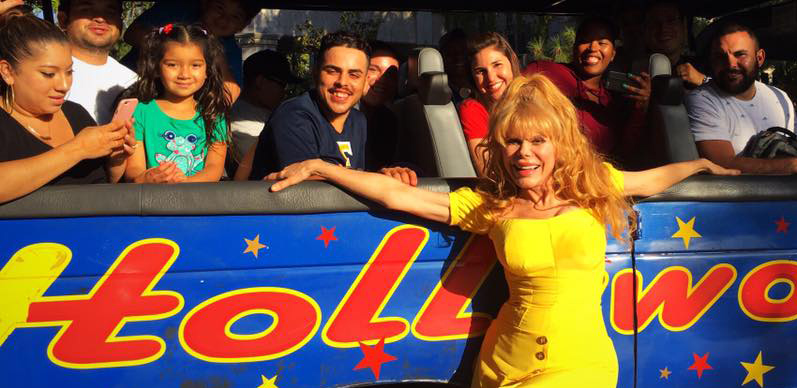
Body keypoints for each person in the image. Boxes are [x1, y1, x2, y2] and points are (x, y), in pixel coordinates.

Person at [266, 74, 738, 387]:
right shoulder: (492, 208)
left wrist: (698, 162)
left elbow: (651, 179)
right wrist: (323, 168)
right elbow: (398, 196)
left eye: (537, 141)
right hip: (503, 364)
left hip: (581, 366)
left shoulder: (595, 187)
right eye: (512, 141)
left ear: (559, 146)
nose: (524, 153)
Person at [0, 14, 135, 203]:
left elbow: (102, 187)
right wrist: (77, 149)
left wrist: (115, 161)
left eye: (69, 72)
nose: (64, 85)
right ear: (8, 71)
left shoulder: (76, 113)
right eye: (48, 74)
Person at [686, 22, 797, 175]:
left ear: (759, 58)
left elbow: (796, 148)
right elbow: (721, 165)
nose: (730, 64)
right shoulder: (703, 100)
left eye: (740, 54)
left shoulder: (780, 98)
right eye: (720, 56)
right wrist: (793, 166)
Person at [524, 16, 651, 163]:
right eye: (585, 41)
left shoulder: (614, 102)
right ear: (574, 48)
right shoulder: (546, 71)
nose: (593, 48)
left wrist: (640, 108)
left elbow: (626, 150)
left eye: (602, 42)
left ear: (613, 54)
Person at [248, 31, 370, 180]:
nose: (342, 82)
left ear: (365, 81)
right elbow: (311, 188)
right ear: (315, 73)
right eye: (332, 71)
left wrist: (388, 175)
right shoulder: (292, 116)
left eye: (354, 75)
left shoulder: (358, 121)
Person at [123, 23, 231, 183]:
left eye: (195, 65)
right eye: (172, 65)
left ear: (207, 70)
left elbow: (214, 169)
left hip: (198, 204)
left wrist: (185, 185)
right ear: (157, 68)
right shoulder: (140, 111)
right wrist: (147, 178)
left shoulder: (215, 115)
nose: (184, 74)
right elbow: (134, 170)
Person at [121, 0, 261, 102]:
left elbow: (229, 95)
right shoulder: (177, 9)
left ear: (243, 25)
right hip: (127, 88)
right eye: (219, 8)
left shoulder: (230, 50)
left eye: (235, 17)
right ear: (205, 4)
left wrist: (217, 56)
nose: (224, 19)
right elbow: (132, 34)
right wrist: (171, 43)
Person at [57, 0, 137, 124]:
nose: (100, 18)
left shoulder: (134, 81)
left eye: (110, 12)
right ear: (63, 19)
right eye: (86, 9)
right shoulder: (41, 72)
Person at [229, 49, 297, 178]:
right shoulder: (242, 121)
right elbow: (265, 165)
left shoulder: (266, 113)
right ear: (260, 82)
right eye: (282, 85)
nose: (284, 92)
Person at [460, 31, 520, 172]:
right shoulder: (472, 109)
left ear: (512, 61)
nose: (491, 78)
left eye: (497, 65)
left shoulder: (535, 98)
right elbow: (488, 171)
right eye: (481, 71)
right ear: (472, 77)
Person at [361, 40, 401, 171]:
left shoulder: (389, 121)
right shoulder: (338, 114)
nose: (382, 79)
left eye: (391, 74)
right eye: (373, 69)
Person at [439, 28, 471, 105]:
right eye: (451, 53)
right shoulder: (438, 94)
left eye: (463, 52)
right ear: (441, 58)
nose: (458, 57)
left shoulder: (483, 88)